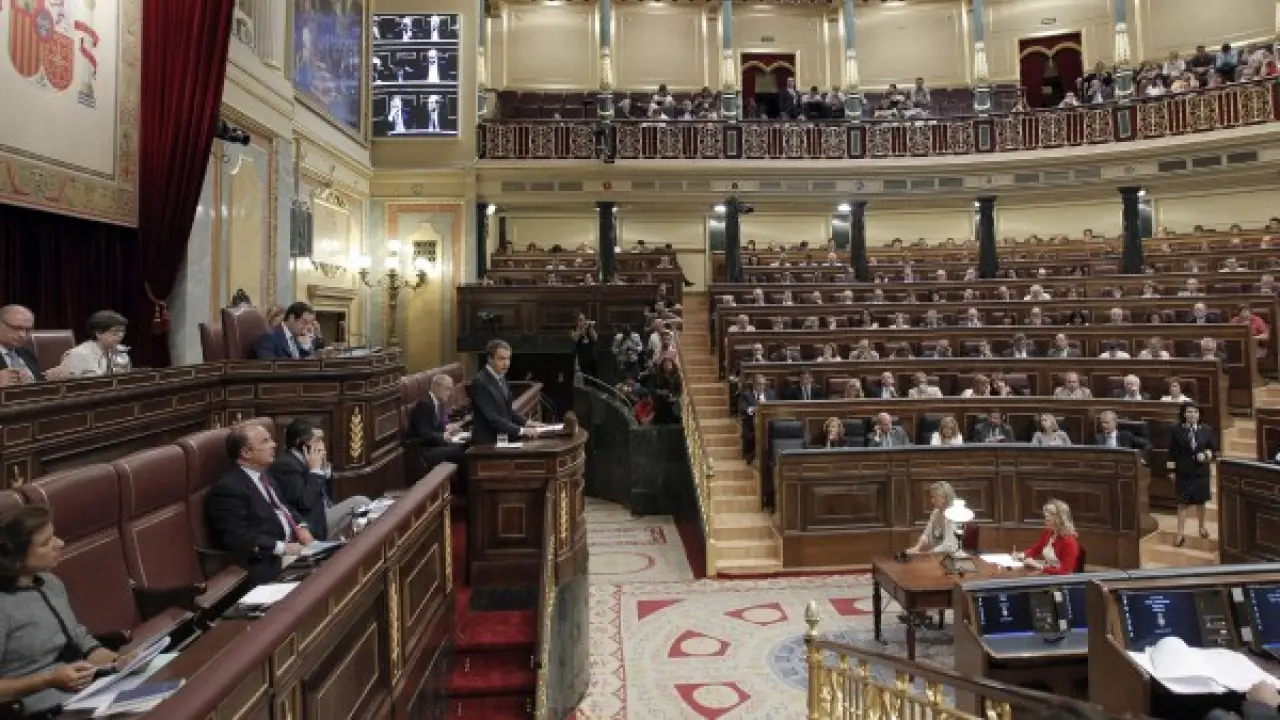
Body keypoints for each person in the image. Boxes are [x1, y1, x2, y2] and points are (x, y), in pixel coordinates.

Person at [0, 505, 129, 717]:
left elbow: (80, 640)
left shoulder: (51, 583)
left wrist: (120, 661)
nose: (60, 543)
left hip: (87, 692)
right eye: (46, 543)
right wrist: (47, 680)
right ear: (14, 557)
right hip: (40, 709)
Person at [205, 423, 315, 584]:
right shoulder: (228, 489)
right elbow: (237, 538)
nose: (274, 444)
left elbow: (285, 507)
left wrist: (301, 526)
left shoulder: (265, 475)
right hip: (268, 562)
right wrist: (282, 548)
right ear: (246, 453)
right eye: (265, 441)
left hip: (294, 549)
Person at [269, 420, 371, 541]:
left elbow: (326, 495)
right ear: (301, 443)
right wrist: (316, 471)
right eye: (318, 440)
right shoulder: (285, 465)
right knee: (361, 502)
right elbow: (305, 502)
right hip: (311, 524)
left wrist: (324, 470)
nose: (322, 445)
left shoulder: (309, 460)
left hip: (323, 512)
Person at [468, 339, 541, 445]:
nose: (506, 363)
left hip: (503, 439)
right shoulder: (479, 382)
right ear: (490, 359)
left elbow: (508, 410)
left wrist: (527, 422)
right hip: (487, 444)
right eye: (502, 359)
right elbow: (492, 418)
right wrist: (521, 430)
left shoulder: (501, 377)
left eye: (508, 358)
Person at [1169, 403, 1217, 547]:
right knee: (1182, 503)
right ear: (1184, 414)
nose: (1192, 415)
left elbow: (1214, 450)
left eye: (1195, 412)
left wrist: (1206, 455)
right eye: (1189, 412)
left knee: (1201, 502)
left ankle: (1202, 527)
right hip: (1183, 472)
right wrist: (1171, 471)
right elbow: (1171, 452)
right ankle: (1180, 534)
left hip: (1201, 472)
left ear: (1199, 414)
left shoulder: (1206, 430)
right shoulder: (1176, 430)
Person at [0, 305, 68, 385]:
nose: (22, 334)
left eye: (28, 330)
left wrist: (49, 378)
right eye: (16, 328)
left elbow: (36, 383)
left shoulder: (27, 353)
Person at [51, 310, 131, 378]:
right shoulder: (79, 354)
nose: (120, 335)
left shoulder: (121, 351)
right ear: (98, 333)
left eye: (122, 331)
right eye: (115, 332)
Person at [1014, 499, 1081, 575]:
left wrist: (1039, 566)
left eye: (1048, 518)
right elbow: (1037, 548)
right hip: (1047, 574)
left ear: (1059, 519)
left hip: (1061, 579)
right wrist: (1023, 555)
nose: (1045, 519)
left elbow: (1065, 572)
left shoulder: (1069, 542)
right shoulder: (1048, 532)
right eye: (1045, 517)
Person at [904, 481, 959, 555]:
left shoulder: (953, 515)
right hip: (936, 553)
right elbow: (926, 534)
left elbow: (949, 545)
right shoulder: (936, 512)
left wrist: (927, 554)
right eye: (931, 497)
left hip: (952, 556)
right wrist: (916, 548)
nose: (932, 500)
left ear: (943, 498)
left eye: (934, 497)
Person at [252, 302, 317, 360]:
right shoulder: (268, 338)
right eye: (304, 322)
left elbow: (307, 363)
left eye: (310, 323)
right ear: (292, 318)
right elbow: (270, 366)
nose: (307, 327)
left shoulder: (298, 337)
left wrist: (306, 346)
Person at [738, 374, 775, 463]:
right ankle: (752, 455)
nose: (762, 387)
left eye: (764, 384)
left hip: (768, 425)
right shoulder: (746, 395)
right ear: (754, 384)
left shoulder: (771, 394)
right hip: (751, 425)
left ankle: (769, 458)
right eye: (759, 384)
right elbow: (742, 408)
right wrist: (753, 409)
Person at [571, 312, 599, 378]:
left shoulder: (589, 329)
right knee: (586, 377)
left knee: (596, 376)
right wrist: (580, 328)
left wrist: (591, 328)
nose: (582, 322)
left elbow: (595, 338)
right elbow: (575, 338)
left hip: (592, 357)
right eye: (580, 320)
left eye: (583, 320)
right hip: (582, 359)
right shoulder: (574, 330)